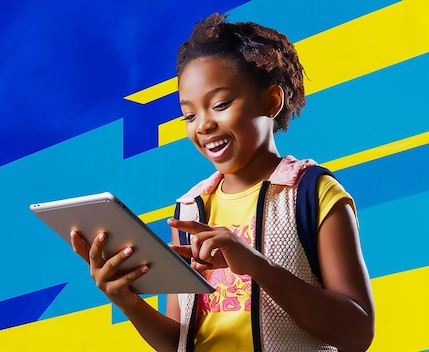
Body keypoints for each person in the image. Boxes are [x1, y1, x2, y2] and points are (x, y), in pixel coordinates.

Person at [70, 12, 374, 352]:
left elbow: (357, 334)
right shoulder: (190, 210)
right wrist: (127, 301)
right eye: (189, 114)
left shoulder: (311, 193)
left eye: (221, 104)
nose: (203, 125)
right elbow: (178, 341)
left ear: (272, 101)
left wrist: (258, 267)